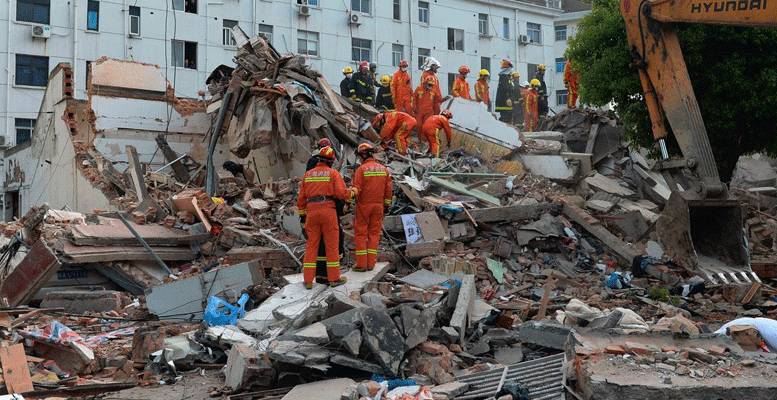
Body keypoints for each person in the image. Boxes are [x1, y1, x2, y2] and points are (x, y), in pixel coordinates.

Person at [297, 147, 354, 289]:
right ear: (331, 161)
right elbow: (342, 193)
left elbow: (301, 200)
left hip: (311, 211)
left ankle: (308, 280)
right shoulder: (333, 174)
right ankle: (334, 278)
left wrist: (303, 217)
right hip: (328, 210)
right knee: (332, 245)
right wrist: (353, 193)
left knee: (311, 246)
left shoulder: (308, 175)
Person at [351, 143, 392, 272]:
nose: (358, 159)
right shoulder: (383, 169)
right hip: (379, 207)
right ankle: (371, 264)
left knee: (361, 234)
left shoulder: (361, 170)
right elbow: (388, 190)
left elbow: (356, 189)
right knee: (374, 234)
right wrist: (386, 206)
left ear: (363, 155)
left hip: (364, 206)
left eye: (359, 156)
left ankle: (362, 264)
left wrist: (349, 201)